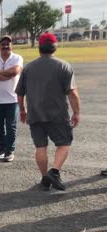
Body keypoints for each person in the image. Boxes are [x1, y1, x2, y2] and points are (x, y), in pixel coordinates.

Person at [16, 32, 80, 191]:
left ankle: (45, 178)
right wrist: (76, 112)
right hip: (57, 114)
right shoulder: (64, 66)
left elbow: (20, 92)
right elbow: (72, 93)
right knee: (64, 144)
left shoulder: (29, 67)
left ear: (39, 48)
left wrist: (23, 110)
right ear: (54, 47)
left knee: (40, 147)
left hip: (35, 113)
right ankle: (55, 171)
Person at [0, 35, 23, 162]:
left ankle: (10, 150)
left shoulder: (17, 58)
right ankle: (2, 147)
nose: (5, 46)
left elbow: (15, 72)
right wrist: (5, 75)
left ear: (11, 45)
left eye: (8, 44)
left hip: (12, 99)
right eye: (3, 44)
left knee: (11, 126)